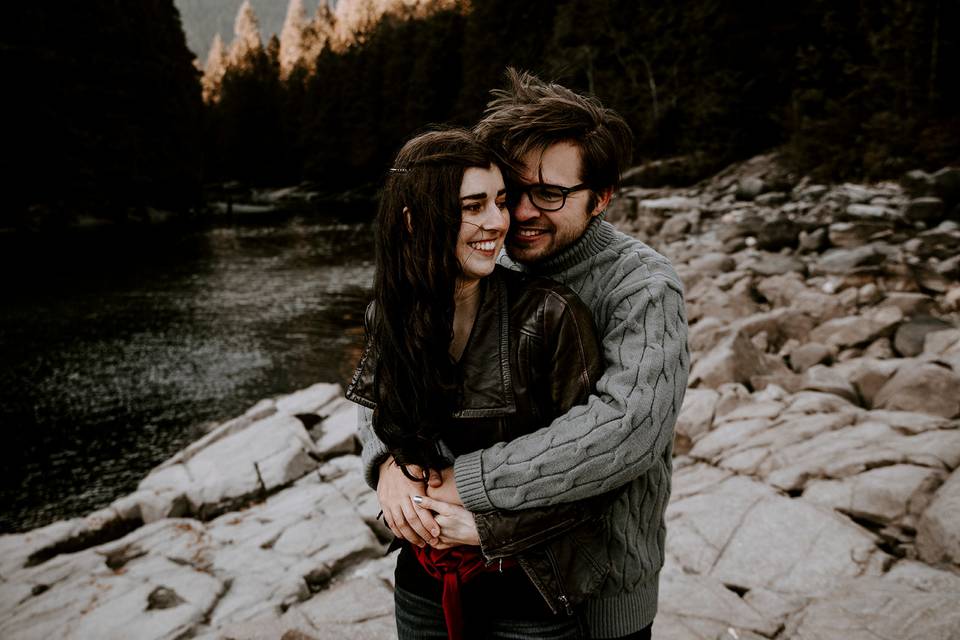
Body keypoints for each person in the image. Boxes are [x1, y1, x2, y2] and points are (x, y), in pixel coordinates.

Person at [361, 70, 690, 639]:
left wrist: (464, 481)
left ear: (601, 198)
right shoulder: (486, 257)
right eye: (514, 191)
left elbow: (629, 428)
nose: (524, 212)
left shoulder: (641, 285)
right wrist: (388, 461)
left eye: (552, 194)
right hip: (476, 565)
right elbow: (390, 367)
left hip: (603, 585)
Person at [346, 127, 609, 639]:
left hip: (529, 591)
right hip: (422, 585)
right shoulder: (390, 314)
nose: (497, 222)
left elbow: (593, 472)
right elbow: (377, 417)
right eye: (473, 206)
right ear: (413, 219)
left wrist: (490, 529)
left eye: (501, 201)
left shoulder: (549, 315)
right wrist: (384, 468)